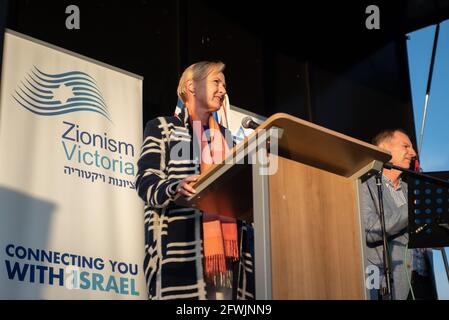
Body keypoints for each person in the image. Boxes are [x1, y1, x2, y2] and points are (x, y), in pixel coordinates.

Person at [135, 61, 255, 300]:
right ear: (191, 85)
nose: (223, 90)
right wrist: (173, 187)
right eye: (216, 82)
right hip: (180, 259)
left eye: (224, 85)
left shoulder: (230, 141)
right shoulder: (162, 128)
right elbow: (145, 181)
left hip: (231, 266)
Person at [360, 129, 436, 300]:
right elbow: (372, 231)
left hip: (422, 280)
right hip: (388, 282)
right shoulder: (366, 184)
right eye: (406, 146)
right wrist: (412, 208)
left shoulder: (412, 191)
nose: (413, 153)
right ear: (385, 148)